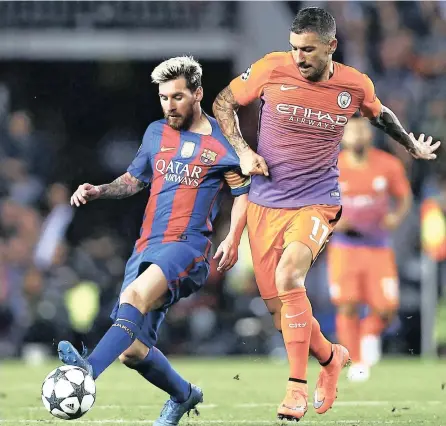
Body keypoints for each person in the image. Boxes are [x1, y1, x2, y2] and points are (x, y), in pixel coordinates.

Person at [212, 6, 441, 422]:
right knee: (282, 315)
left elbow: (380, 113)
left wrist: (409, 144)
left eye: (309, 50)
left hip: (317, 200)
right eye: (295, 48)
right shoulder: (270, 69)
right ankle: (331, 357)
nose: (299, 57)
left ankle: (295, 389)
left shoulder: (353, 85)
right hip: (266, 201)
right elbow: (223, 102)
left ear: (331, 46)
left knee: (289, 278)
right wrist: (243, 151)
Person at [57, 56, 250, 426]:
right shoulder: (155, 133)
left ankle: (86, 373)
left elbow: (243, 192)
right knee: (131, 350)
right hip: (147, 245)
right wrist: (98, 190)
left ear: (198, 94)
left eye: (177, 97)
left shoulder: (224, 143)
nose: (169, 105)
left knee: (133, 298)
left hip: (188, 247)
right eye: (163, 97)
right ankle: (184, 394)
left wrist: (233, 238)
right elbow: (134, 180)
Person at [328, 117, 412, 382]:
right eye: (352, 130)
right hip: (346, 248)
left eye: (363, 129)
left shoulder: (388, 165)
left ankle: (368, 335)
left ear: (370, 134)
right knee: (347, 305)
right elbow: (315, 201)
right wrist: (333, 222)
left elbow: (404, 196)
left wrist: (396, 217)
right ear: (343, 136)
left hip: (378, 247)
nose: (358, 134)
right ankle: (357, 360)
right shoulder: (332, 167)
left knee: (387, 308)